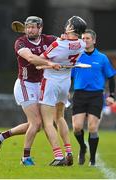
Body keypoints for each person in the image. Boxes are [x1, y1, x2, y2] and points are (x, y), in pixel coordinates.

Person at [0, 16, 71, 166]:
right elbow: (31, 58)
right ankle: (25, 158)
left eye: (33, 27)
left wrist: (64, 39)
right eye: (28, 27)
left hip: (42, 85)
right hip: (25, 85)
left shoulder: (49, 40)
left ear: (40, 28)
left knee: (37, 124)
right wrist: (49, 63)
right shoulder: (20, 42)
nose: (29, 30)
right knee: (36, 123)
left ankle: (1, 136)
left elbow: (63, 47)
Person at [29, 15, 87, 166]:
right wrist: (63, 39)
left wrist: (46, 61)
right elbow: (70, 44)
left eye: (68, 24)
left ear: (72, 28)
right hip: (65, 83)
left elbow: (39, 60)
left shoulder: (58, 44)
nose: (66, 25)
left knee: (47, 122)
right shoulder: (81, 44)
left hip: (50, 82)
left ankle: (58, 156)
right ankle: (69, 152)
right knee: (59, 117)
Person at [71, 29, 115, 166]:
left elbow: (111, 76)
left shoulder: (102, 58)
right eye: (83, 38)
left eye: (88, 38)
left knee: (92, 128)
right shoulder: (76, 57)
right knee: (77, 127)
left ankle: (93, 159)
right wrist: (66, 90)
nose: (85, 41)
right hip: (79, 95)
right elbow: (68, 76)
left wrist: (112, 95)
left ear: (94, 40)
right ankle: (83, 148)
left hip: (96, 95)